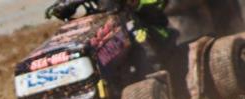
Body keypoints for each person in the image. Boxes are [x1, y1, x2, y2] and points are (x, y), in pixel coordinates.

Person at [46, 0, 175, 70]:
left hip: (151, 27)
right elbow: (65, 9)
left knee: (136, 32)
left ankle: (155, 74)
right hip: (111, 29)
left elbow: (154, 4)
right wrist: (63, 7)